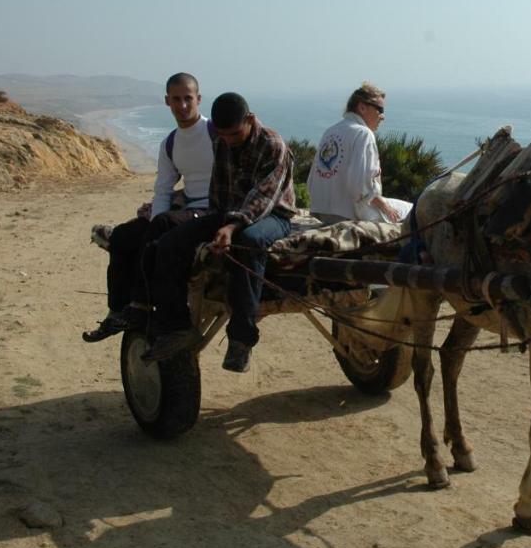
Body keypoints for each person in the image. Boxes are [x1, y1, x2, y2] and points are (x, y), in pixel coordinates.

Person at [142, 92, 296, 372]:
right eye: (223, 135)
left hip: (274, 216)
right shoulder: (221, 140)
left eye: (235, 134)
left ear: (249, 120)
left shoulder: (273, 145)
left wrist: (230, 227)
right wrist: (211, 224)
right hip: (229, 214)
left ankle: (241, 339)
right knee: (169, 243)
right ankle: (176, 326)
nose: (229, 140)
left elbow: (262, 198)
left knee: (249, 242)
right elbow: (219, 194)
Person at [81, 72, 215, 342]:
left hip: (213, 210)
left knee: (161, 228)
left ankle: (141, 305)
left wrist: (159, 224)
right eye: (176, 99)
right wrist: (154, 220)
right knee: (122, 236)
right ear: (167, 101)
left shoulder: (216, 133)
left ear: (199, 99)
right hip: (186, 209)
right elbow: (163, 189)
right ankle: (117, 311)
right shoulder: (171, 143)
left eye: (188, 98)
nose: (183, 105)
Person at [306, 82, 413, 225]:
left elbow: (311, 182)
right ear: (362, 107)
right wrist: (385, 207)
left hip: (323, 213)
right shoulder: (363, 134)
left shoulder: (330, 131)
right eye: (380, 109)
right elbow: (360, 186)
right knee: (412, 210)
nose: (382, 116)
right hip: (351, 214)